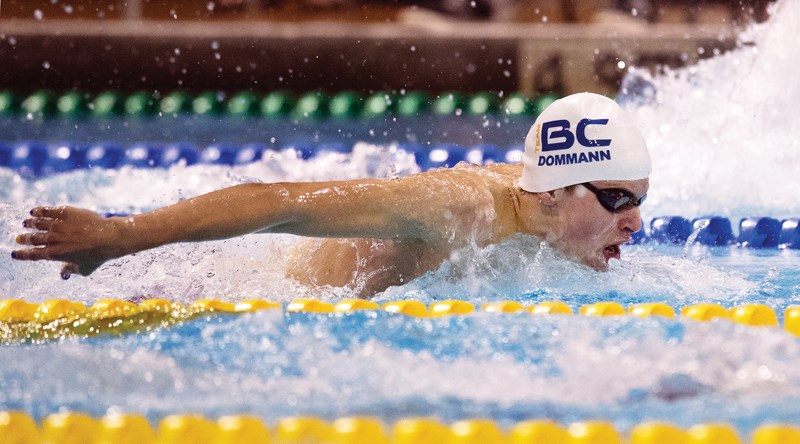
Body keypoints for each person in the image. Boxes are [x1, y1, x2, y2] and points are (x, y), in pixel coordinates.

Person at [12, 92, 650, 298]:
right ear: (554, 192)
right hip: (255, 292)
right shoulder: (459, 208)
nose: (636, 223)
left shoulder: (548, 213)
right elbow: (279, 202)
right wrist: (121, 236)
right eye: (619, 200)